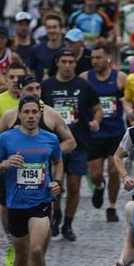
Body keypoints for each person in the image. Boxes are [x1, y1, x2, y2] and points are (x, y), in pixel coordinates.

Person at [0, 95, 63, 266]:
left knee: (37, 250)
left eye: (34, 112)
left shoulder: (50, 139)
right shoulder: (6, 139)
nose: (30, 116)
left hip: (41, 201)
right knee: (21, 255)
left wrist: (57, 182)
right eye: (26, 112)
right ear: (19, 115)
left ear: (40, 114)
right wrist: (5, 164)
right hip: (16, 204)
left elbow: (58, 162)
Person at [39, 48, 100, 240]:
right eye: (63, 61)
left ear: (75, 64)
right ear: (57, 62)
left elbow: (97, 108)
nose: (67, 65)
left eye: (71, 62)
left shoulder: (84, 86)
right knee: (58, 185)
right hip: (52, 144)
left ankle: (68, 223)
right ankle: (56, 214)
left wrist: (96, 120)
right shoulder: (46, 86)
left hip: (78, 143)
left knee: (74, 187)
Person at [84, 44, 127, 222]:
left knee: (114, 170)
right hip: (94, 133)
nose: (95, 61)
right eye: (93, 58)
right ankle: (100, 186)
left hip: (115, 132)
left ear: (108, 58)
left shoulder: (120, 78)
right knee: (95, 174)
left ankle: (112, 206)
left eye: (98, 57)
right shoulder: (85, 77)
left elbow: (129, 99)